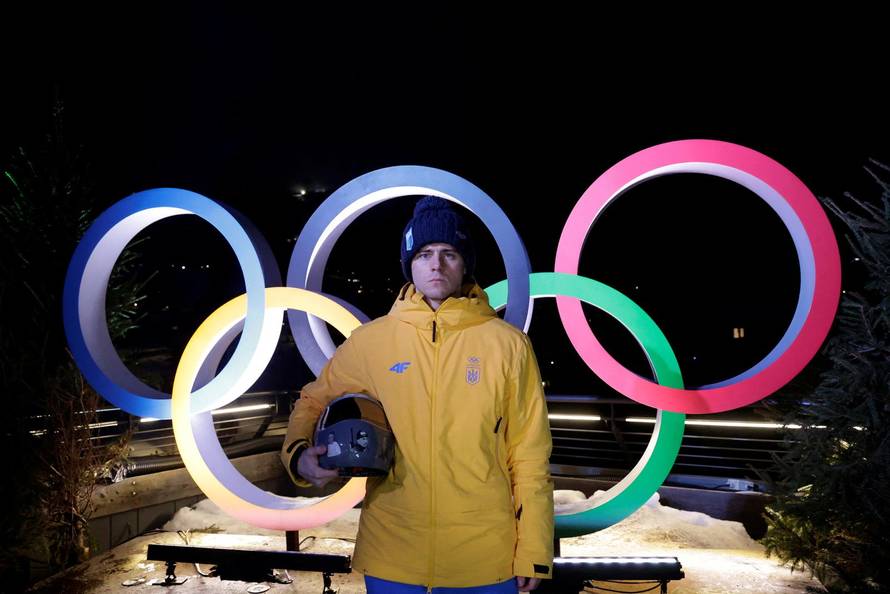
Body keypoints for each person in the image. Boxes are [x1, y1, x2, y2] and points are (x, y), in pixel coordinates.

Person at [281, 196, 553, 593]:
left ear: (466, 265)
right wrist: (298, 454)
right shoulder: (371, 342)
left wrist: (533, 548)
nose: (436, 264)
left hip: (485, 558)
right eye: (424, 253)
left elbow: (530, 455)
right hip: (393, 553)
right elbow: (312, 401)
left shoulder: (508, 345)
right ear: (410, 263)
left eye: (449, 253)